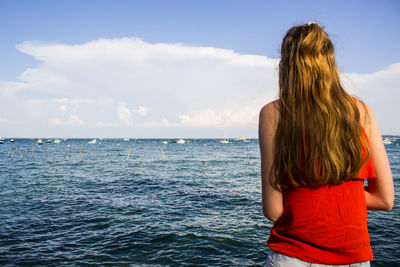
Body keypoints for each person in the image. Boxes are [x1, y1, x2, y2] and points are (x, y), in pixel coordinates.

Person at [259, 22, 394, 266]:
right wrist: (342, 196)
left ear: (287, 66)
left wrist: (310, 196)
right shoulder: (361, 112)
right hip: (354, 258)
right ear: (330, 63)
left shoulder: (273, 113)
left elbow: (274, 210)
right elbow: (385, 200)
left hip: (293, 255)